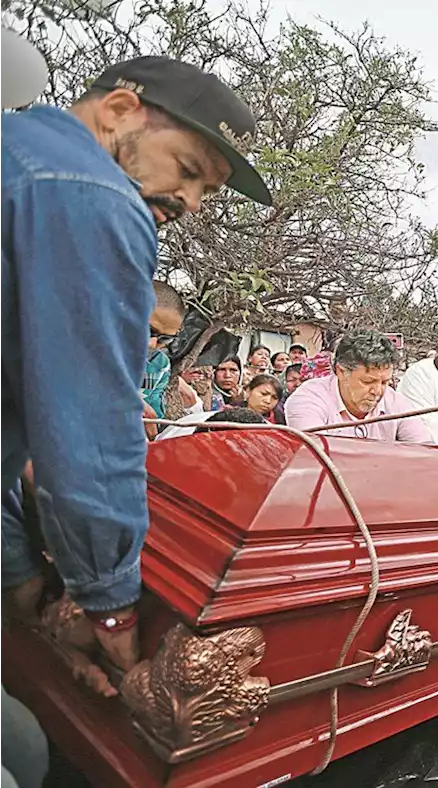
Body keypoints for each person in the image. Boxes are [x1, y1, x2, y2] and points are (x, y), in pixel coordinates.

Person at [0, 54, 270, 699]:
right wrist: (112, 604)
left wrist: (16, 571)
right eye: (187, 170)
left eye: (207, 189)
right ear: (120, 111)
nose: (190, 202)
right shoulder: (92, 194)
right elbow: (90, 437)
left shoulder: (17, 149)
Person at [285, 330, 433, 443]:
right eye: (367, 382)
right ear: (341, 371)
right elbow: (314, 457)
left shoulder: (396, 402)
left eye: (384, 382)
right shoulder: (307, 400)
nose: (377, 391)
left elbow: (425, 454)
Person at [141, 281, 185, 420]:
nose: (152, 344)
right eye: (147, 330)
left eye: (165, 339)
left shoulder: (158, 364)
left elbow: (153, 418)